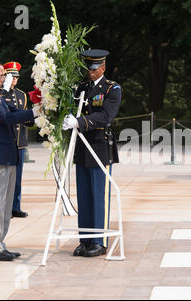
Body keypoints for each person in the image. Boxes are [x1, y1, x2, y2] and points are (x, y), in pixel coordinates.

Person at [0, 58, 41, 261]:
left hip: (7, 157)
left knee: (5, 205)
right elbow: (7, 118)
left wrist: (38, 111)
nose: (4, 79)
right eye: (0, 75)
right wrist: (36, 111)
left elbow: (17, 113)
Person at [62, 49, 121, 257]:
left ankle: (100, 240)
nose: (90, 71)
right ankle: (85, 240)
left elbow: (105, 117)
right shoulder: (82, 88)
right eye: (88, 67)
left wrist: (80, 122)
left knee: (98, 196)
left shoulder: (112, 89)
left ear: (103, 68)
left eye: (94, 68)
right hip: (82, 147)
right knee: (85, 197)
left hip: (99, 148)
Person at [0, 61, 33, 218]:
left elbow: (25, 115)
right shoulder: (1, 94)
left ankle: (15, 207)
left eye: (16, 76)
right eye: (11, 76)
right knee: (4, 178)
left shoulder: (22, 95)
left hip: (19, 143)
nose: (14, 79)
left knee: (17, 179)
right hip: (6, 142)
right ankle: (3, 208)